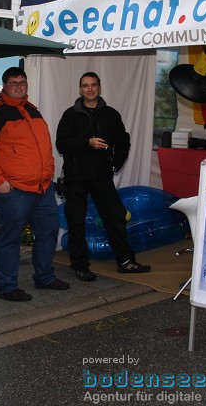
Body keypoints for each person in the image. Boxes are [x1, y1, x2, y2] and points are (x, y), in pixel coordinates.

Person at [0, 66, 69, 301]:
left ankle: (44, 278)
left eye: (22, 82)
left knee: (48, 233)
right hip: (14, 190)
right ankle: (7, 287)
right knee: (11, 238)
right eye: (13, 82)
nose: (19, 86)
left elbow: (44, 146)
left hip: (43, 188)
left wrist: (49, 174)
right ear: (4, 85)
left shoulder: (31, 110)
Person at [56, 72, 151, 281]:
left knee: (116, 218)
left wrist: (114, 164)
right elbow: (62, 145)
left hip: (101, 176)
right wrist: (87, 143)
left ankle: (125, 262)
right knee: (76, 221)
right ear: (80, 89)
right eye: (85, 86)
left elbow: (123, 142)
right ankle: (80, 265)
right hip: (76, 177)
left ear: (99, 88)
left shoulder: (111, 114)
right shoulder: (70, 115)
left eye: (93, 85)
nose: (89, 89)